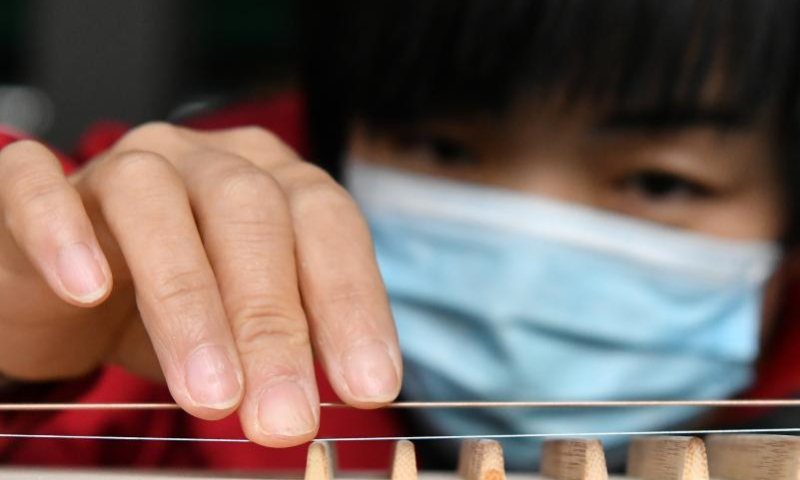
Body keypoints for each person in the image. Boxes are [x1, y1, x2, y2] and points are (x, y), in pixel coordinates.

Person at [2, 0, 800, 471]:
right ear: (331, 143)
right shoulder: (135, 338)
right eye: (443, 148)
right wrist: (26, 359)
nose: (514, 286)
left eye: (660, 181)